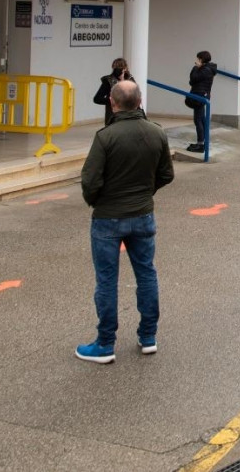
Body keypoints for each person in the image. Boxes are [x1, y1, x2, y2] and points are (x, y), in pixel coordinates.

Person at [77, 80, 175, 363]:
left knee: (107, 280)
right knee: (146, 273)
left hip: (108, 218)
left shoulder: (105, 137)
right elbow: (166, 174)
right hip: (143, 215)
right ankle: (148, 336)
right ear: (140, 102)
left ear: (112, 103)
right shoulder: (156, 133)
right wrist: (146, 192)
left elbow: (90, 180)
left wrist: (98, 201)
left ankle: (105, 343)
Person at [187, 50, 217, 153]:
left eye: (198, 58)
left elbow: (193, 78)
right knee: (202, 119)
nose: (196, 61)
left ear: (201, 59)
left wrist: (196, 67)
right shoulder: (207, 69)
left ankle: (200, 144)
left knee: (198, 120)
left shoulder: (205, 70)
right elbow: (192, 81)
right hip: (202, 95)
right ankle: (203, 143)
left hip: (199, 96)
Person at [93, 57, 134, 125]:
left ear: (125, 68)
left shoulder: (130, 79)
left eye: (121, 67)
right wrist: (111, 101)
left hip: (129, 115)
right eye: (116, 68)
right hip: (113, 116)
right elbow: (97, 99)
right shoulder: (108, 81)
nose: (119, 70)